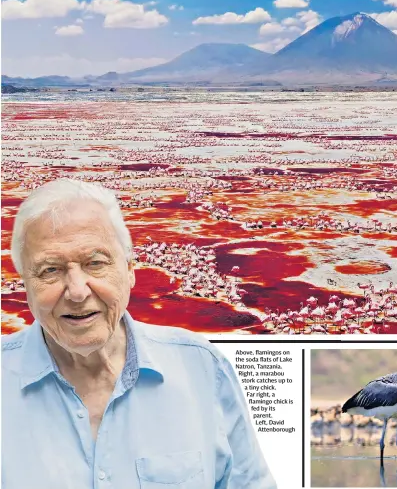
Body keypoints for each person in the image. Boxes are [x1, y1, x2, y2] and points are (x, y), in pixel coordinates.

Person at [2, 179, 276, 488]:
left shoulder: (201, 368)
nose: (77, 292)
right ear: (25, 284)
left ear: (130, 270)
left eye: (95, 263)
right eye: (50, 270)